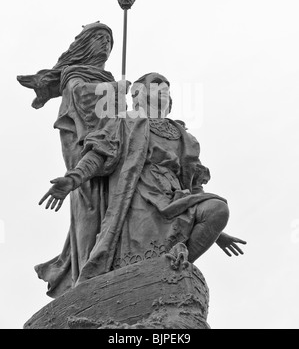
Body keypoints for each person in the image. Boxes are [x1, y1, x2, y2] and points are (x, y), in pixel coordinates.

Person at [39, 72, 246, 297]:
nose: (164, 89)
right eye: (157, 84)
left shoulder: (185, 137)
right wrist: (72, 179)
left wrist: (214, 231)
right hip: (138, 198)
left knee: (218, 209)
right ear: (139, 92)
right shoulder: (124, 122)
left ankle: (172, 267)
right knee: (133, 259)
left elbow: (195, 185)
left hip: (175, 199)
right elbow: (99, 155)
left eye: (168, 87)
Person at [17, 22, 127, 297]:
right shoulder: (75, 75)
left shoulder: (105, 78)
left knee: (113, 204)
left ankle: (108, 266)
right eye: (100, 38)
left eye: (110, 42)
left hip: (107, 147)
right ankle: (86, 276)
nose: (106, 45)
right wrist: (115, 91)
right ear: (85, 45)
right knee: (89, 205)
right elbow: (81, 97)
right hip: (83, 147)